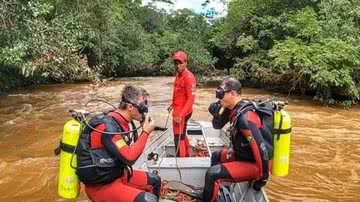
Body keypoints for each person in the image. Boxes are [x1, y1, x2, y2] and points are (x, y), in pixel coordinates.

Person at [76, 85, 161, 202]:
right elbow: (129, 157)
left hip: (116, 174)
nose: (145, 110)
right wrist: (145, 132)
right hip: (101, 186)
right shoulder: (107, 127)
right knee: (148, 200)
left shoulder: (122, 122)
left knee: (154, 180)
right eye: (142, 106)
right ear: (130, 107)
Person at [202, 77, 271, 202]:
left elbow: (262, 150)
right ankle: (216, 192)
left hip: (256, 164)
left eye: (221, 94)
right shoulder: (233, 110)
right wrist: (216, 114)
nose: (219, 98)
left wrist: (263, 178)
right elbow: (217, 126)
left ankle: (212, 189)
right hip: (243, 154)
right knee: (216, 156)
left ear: (232, 93)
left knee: (212, 174)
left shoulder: (246, 117)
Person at [167, 51, 196, 157]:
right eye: (176, 63)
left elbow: (191, 99)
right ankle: (188, 153)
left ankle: (180, 161)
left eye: (180, 63)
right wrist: (172, 104)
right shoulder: (178, 75)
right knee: (182, 134)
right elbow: (178, 93)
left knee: (178, 138)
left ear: (186, 62)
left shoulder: (189, 77)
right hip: (178, 110)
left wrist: (181, 115)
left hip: (182, 113)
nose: (178, 66)